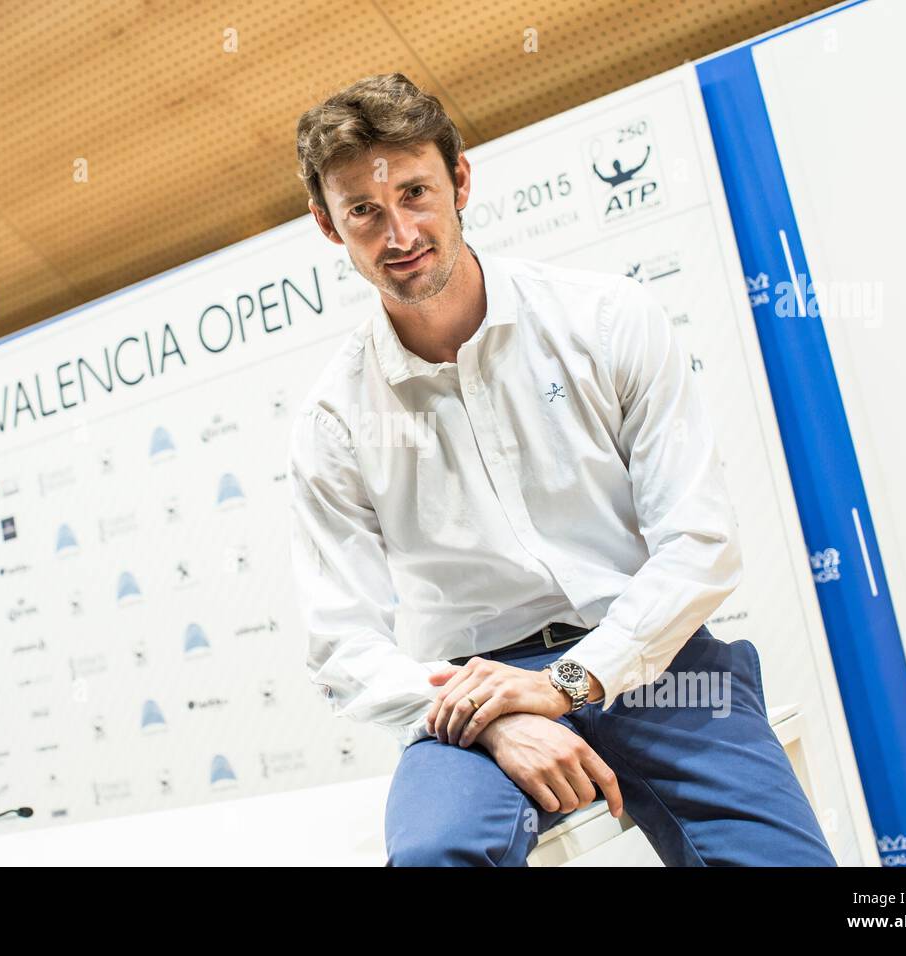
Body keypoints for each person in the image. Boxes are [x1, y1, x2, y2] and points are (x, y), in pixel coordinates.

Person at [286, 72, 836, 867]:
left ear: (461, 180)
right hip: (469, 693)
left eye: (415, 192)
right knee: (436, 855)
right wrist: (499, 715)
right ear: (329, 226)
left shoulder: (606, 321)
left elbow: (701, 542)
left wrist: (568, 683)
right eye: (364, 211)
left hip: (653, 656)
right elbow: (342, 644)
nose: (399, 232)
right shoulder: (334, 420)